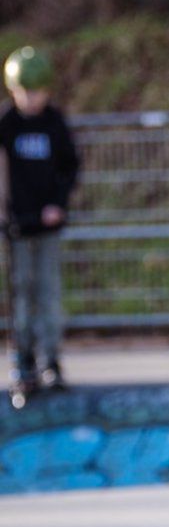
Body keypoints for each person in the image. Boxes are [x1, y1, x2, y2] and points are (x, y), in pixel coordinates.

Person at [0, 46, 80, 396]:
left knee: (48, 293)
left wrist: (57, 204)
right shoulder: (7, 123)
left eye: (37, 93)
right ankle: (23, 362)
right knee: (21, 297)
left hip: (47, 223)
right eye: (24, 93)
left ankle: (51, 361)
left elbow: (69, 166)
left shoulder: (54, 122)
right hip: (17, 225)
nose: (31, 101)